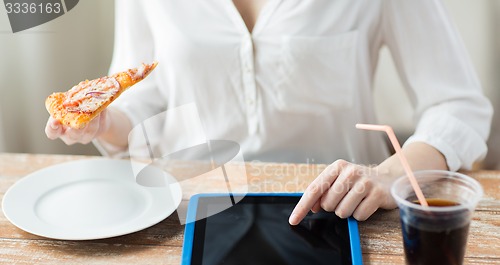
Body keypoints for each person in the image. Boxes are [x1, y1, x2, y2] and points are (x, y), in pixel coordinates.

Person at [45, 0, 492, 225]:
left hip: (340, 213)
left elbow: (459, 105)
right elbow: (147, 101)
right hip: (191, 211)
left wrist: (391, 173)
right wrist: (106, 122)